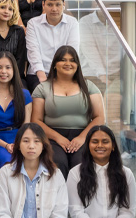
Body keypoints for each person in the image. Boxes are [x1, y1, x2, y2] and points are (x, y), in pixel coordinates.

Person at [31, 46, 105, 178]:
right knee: (58, 163)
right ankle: (59, 199)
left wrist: (82, 138)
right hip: (52, 137)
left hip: (83, 136)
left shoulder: (89, 87)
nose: (68, 64)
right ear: (54, 65)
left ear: (77, 65)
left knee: (81, 164)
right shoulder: (42, 88)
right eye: (63, 60)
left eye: (72, 60)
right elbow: (36, 121)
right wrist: (59, 138)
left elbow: (100, 118)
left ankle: (80, 198)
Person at [0, 53, 32, 171]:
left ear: (14, 70)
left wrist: (18, 144)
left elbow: (26, 125)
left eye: (8, 67)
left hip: (20, 140)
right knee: (6, 162)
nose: (3, 71)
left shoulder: (25, 95)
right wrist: (6, 145)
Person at [26, 0, 80, 91]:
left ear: (63, 4)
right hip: (38, 73)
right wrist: (42, 78)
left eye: (58, 4)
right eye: (50, 4)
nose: (54, 9)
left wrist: (62, 77)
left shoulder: (72, 23)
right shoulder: (33, 23)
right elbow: (33, 52)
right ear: (43, 5)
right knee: (42, 92)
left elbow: (72, 52)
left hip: (65, 72)